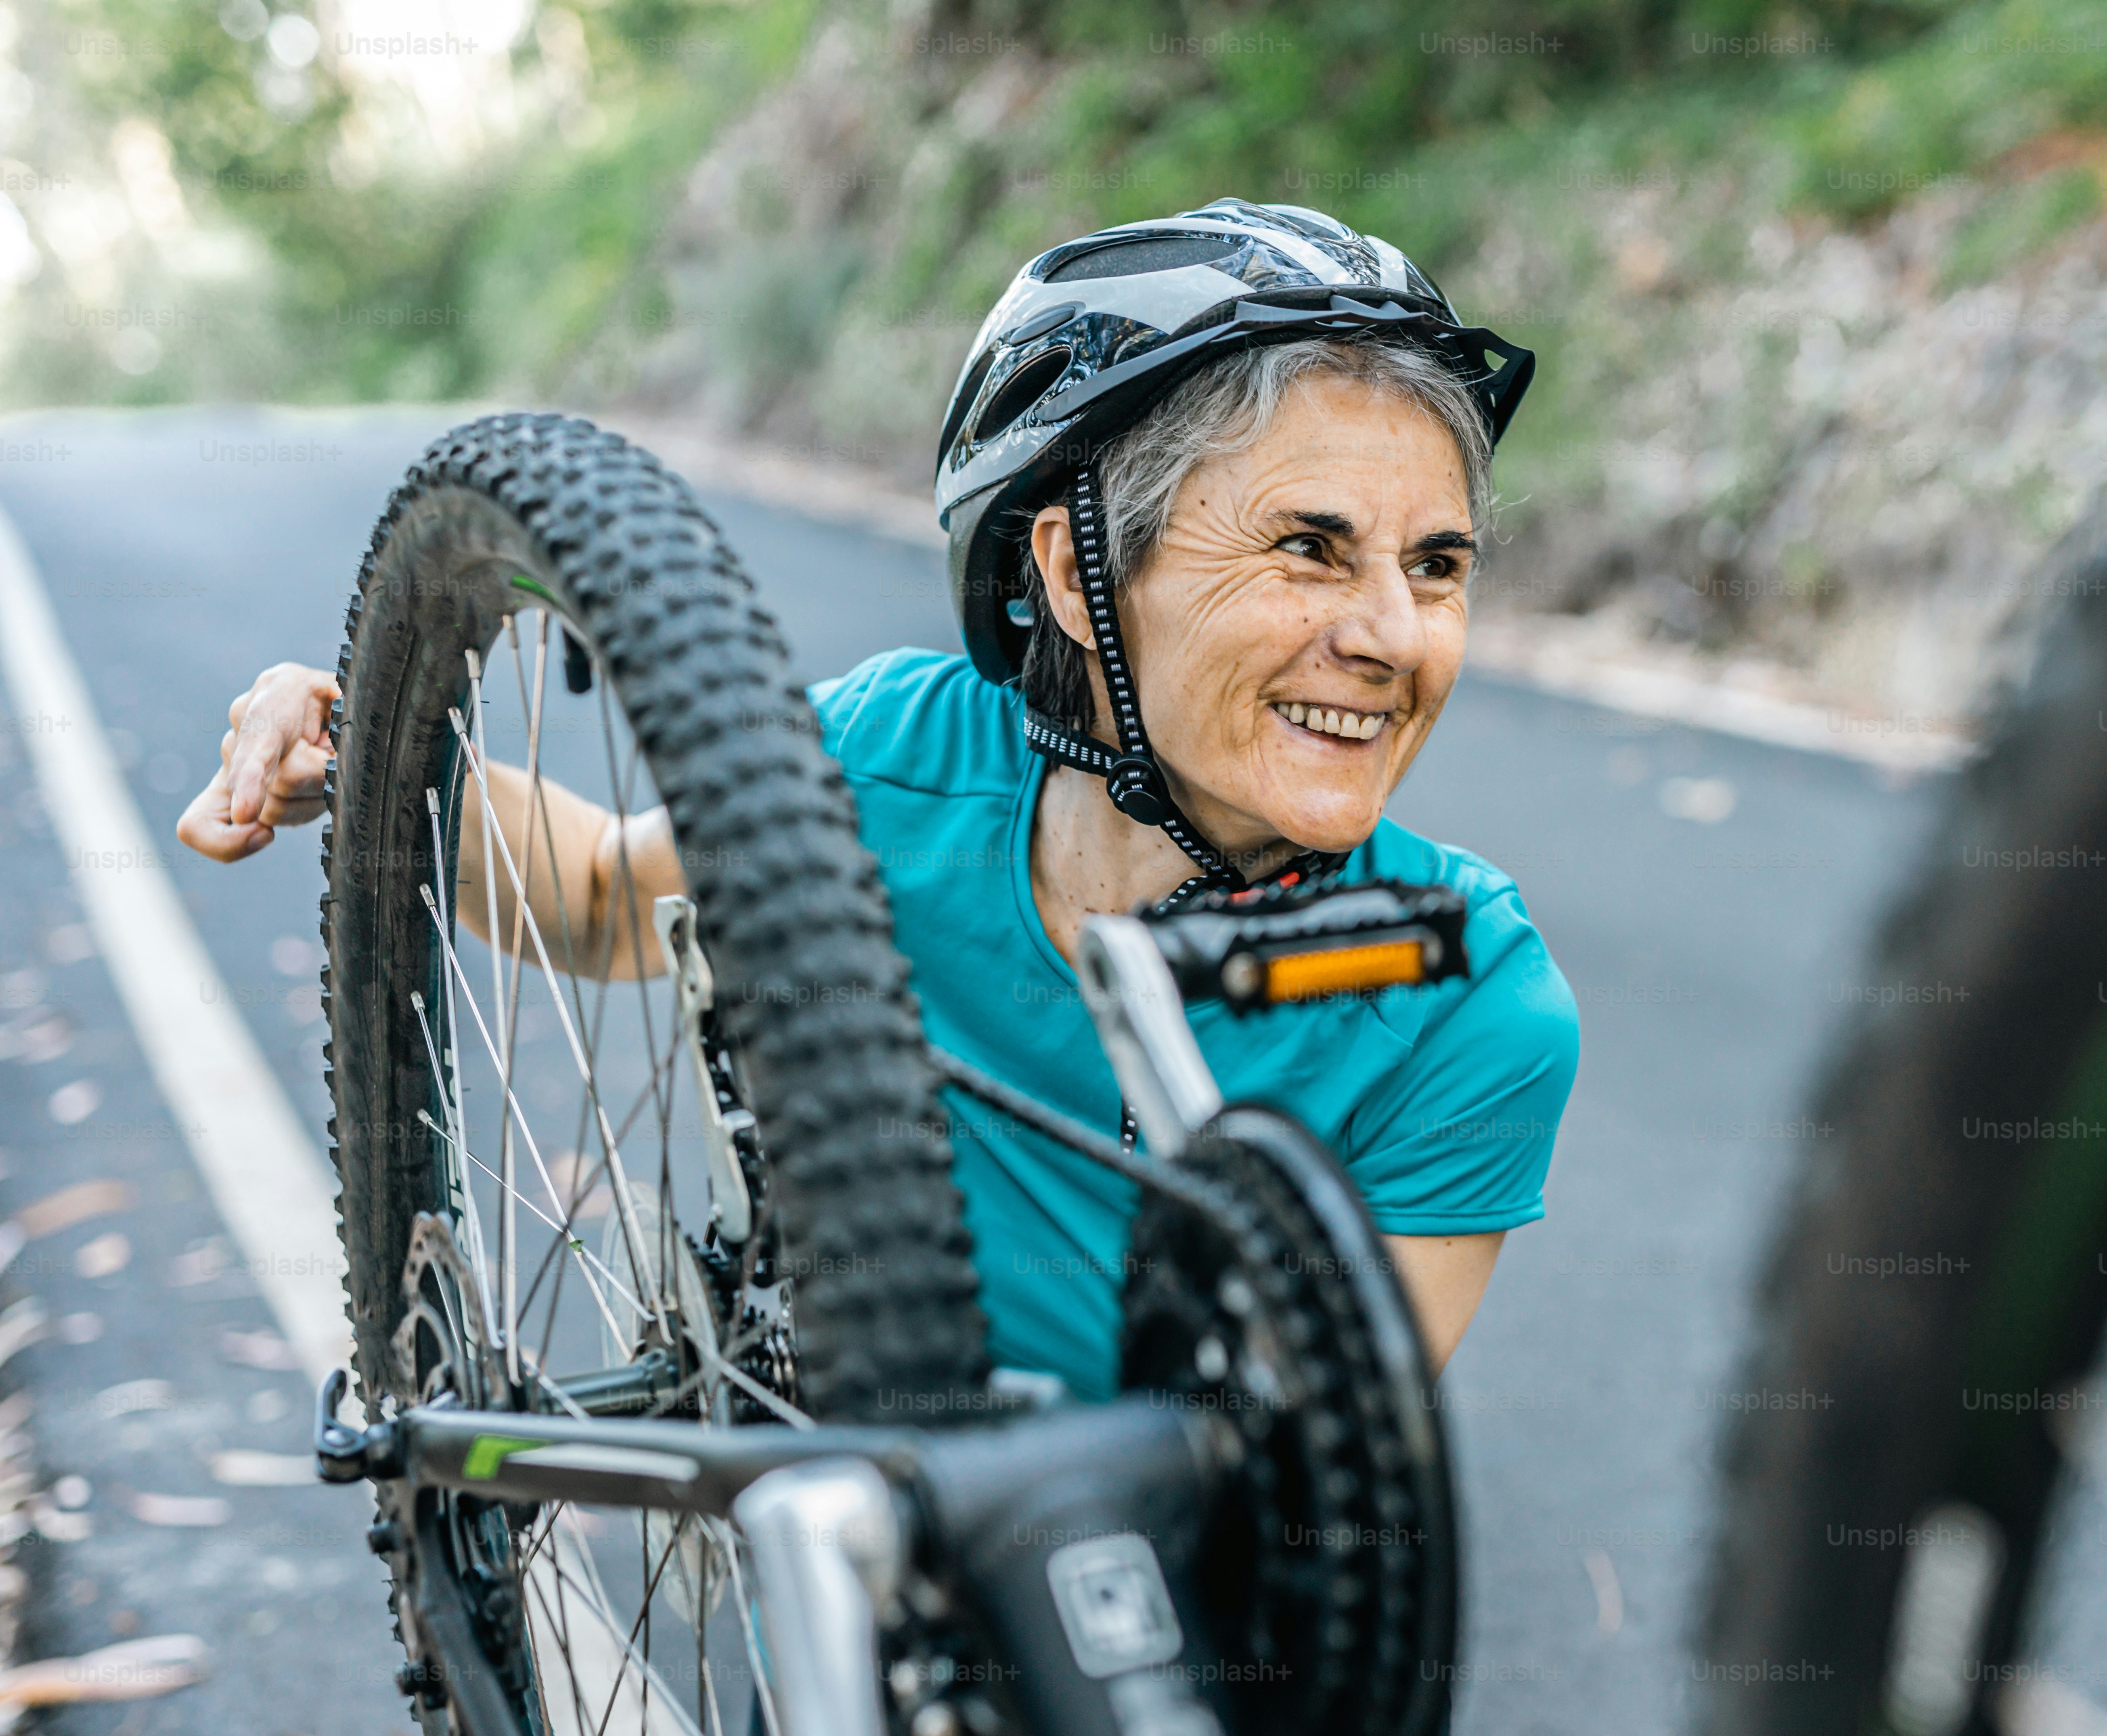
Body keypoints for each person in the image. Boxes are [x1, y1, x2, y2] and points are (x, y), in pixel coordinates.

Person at [182, 193, 1577, 1406]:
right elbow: (606, 896)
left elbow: (1311, 1465)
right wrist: (387, 756)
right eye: (1310, 550)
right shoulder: (904, 760)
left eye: (1438, 567)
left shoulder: (1468, 994)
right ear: (1079, 577)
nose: (1396, 636)